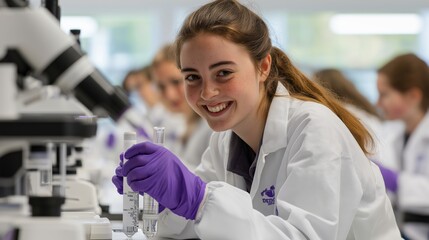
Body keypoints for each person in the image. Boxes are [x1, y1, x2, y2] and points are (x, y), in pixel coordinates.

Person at [112, 1, 401, 239]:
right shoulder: (225, 140)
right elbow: (198, 225)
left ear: (263, 66)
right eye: (192, 77)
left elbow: (301, 236)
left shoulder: (313, 128)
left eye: (223, 73)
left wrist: (198, 198)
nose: (207, 92)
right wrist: (165, 200)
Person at [376, 53, 429, 240]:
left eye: (385, 95)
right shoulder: (394, 133)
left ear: (413, 96)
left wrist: (395, 181)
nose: (378, 103)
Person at [150, 44, 212, 171]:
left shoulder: (212, 127)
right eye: (161, 87)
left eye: (176, 82)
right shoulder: (184, 125)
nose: (170, 95)